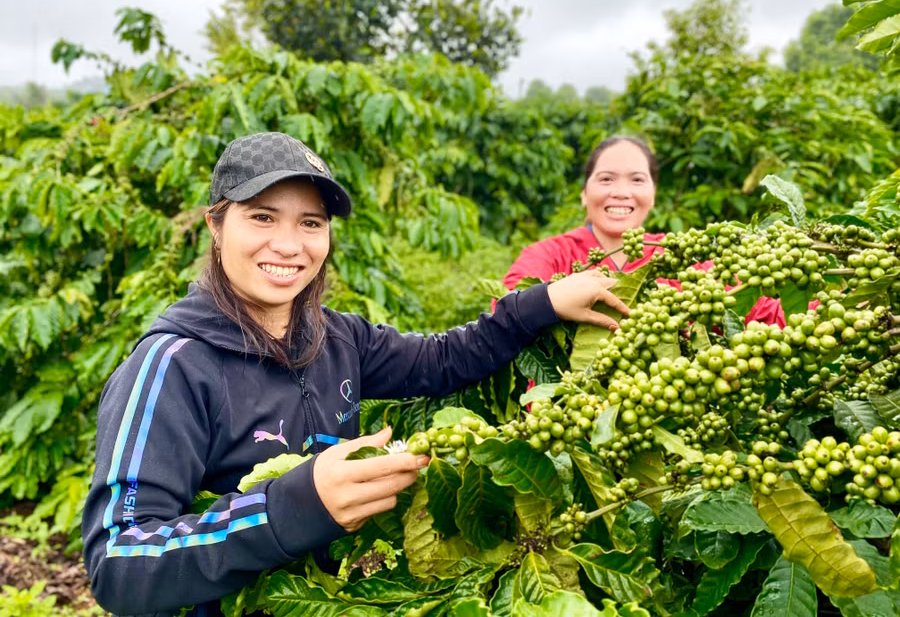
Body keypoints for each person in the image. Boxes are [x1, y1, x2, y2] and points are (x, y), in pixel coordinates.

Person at [81, 132, 631, 616]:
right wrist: (295, 506)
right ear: (216, 225)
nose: (289, 245)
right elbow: (119, 563)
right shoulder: (170, 367)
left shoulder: (338, 338)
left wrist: (542, 303)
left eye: (311, 223)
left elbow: (442, 360)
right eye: (262, 217)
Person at [502, 135, 785, 326]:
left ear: (653, 195)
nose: (621, 192)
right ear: (584, 194)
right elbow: (506, 314)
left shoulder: (679, 255)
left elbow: (760, 309)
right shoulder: (549, 255)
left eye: (637, 180)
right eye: (606, 179)